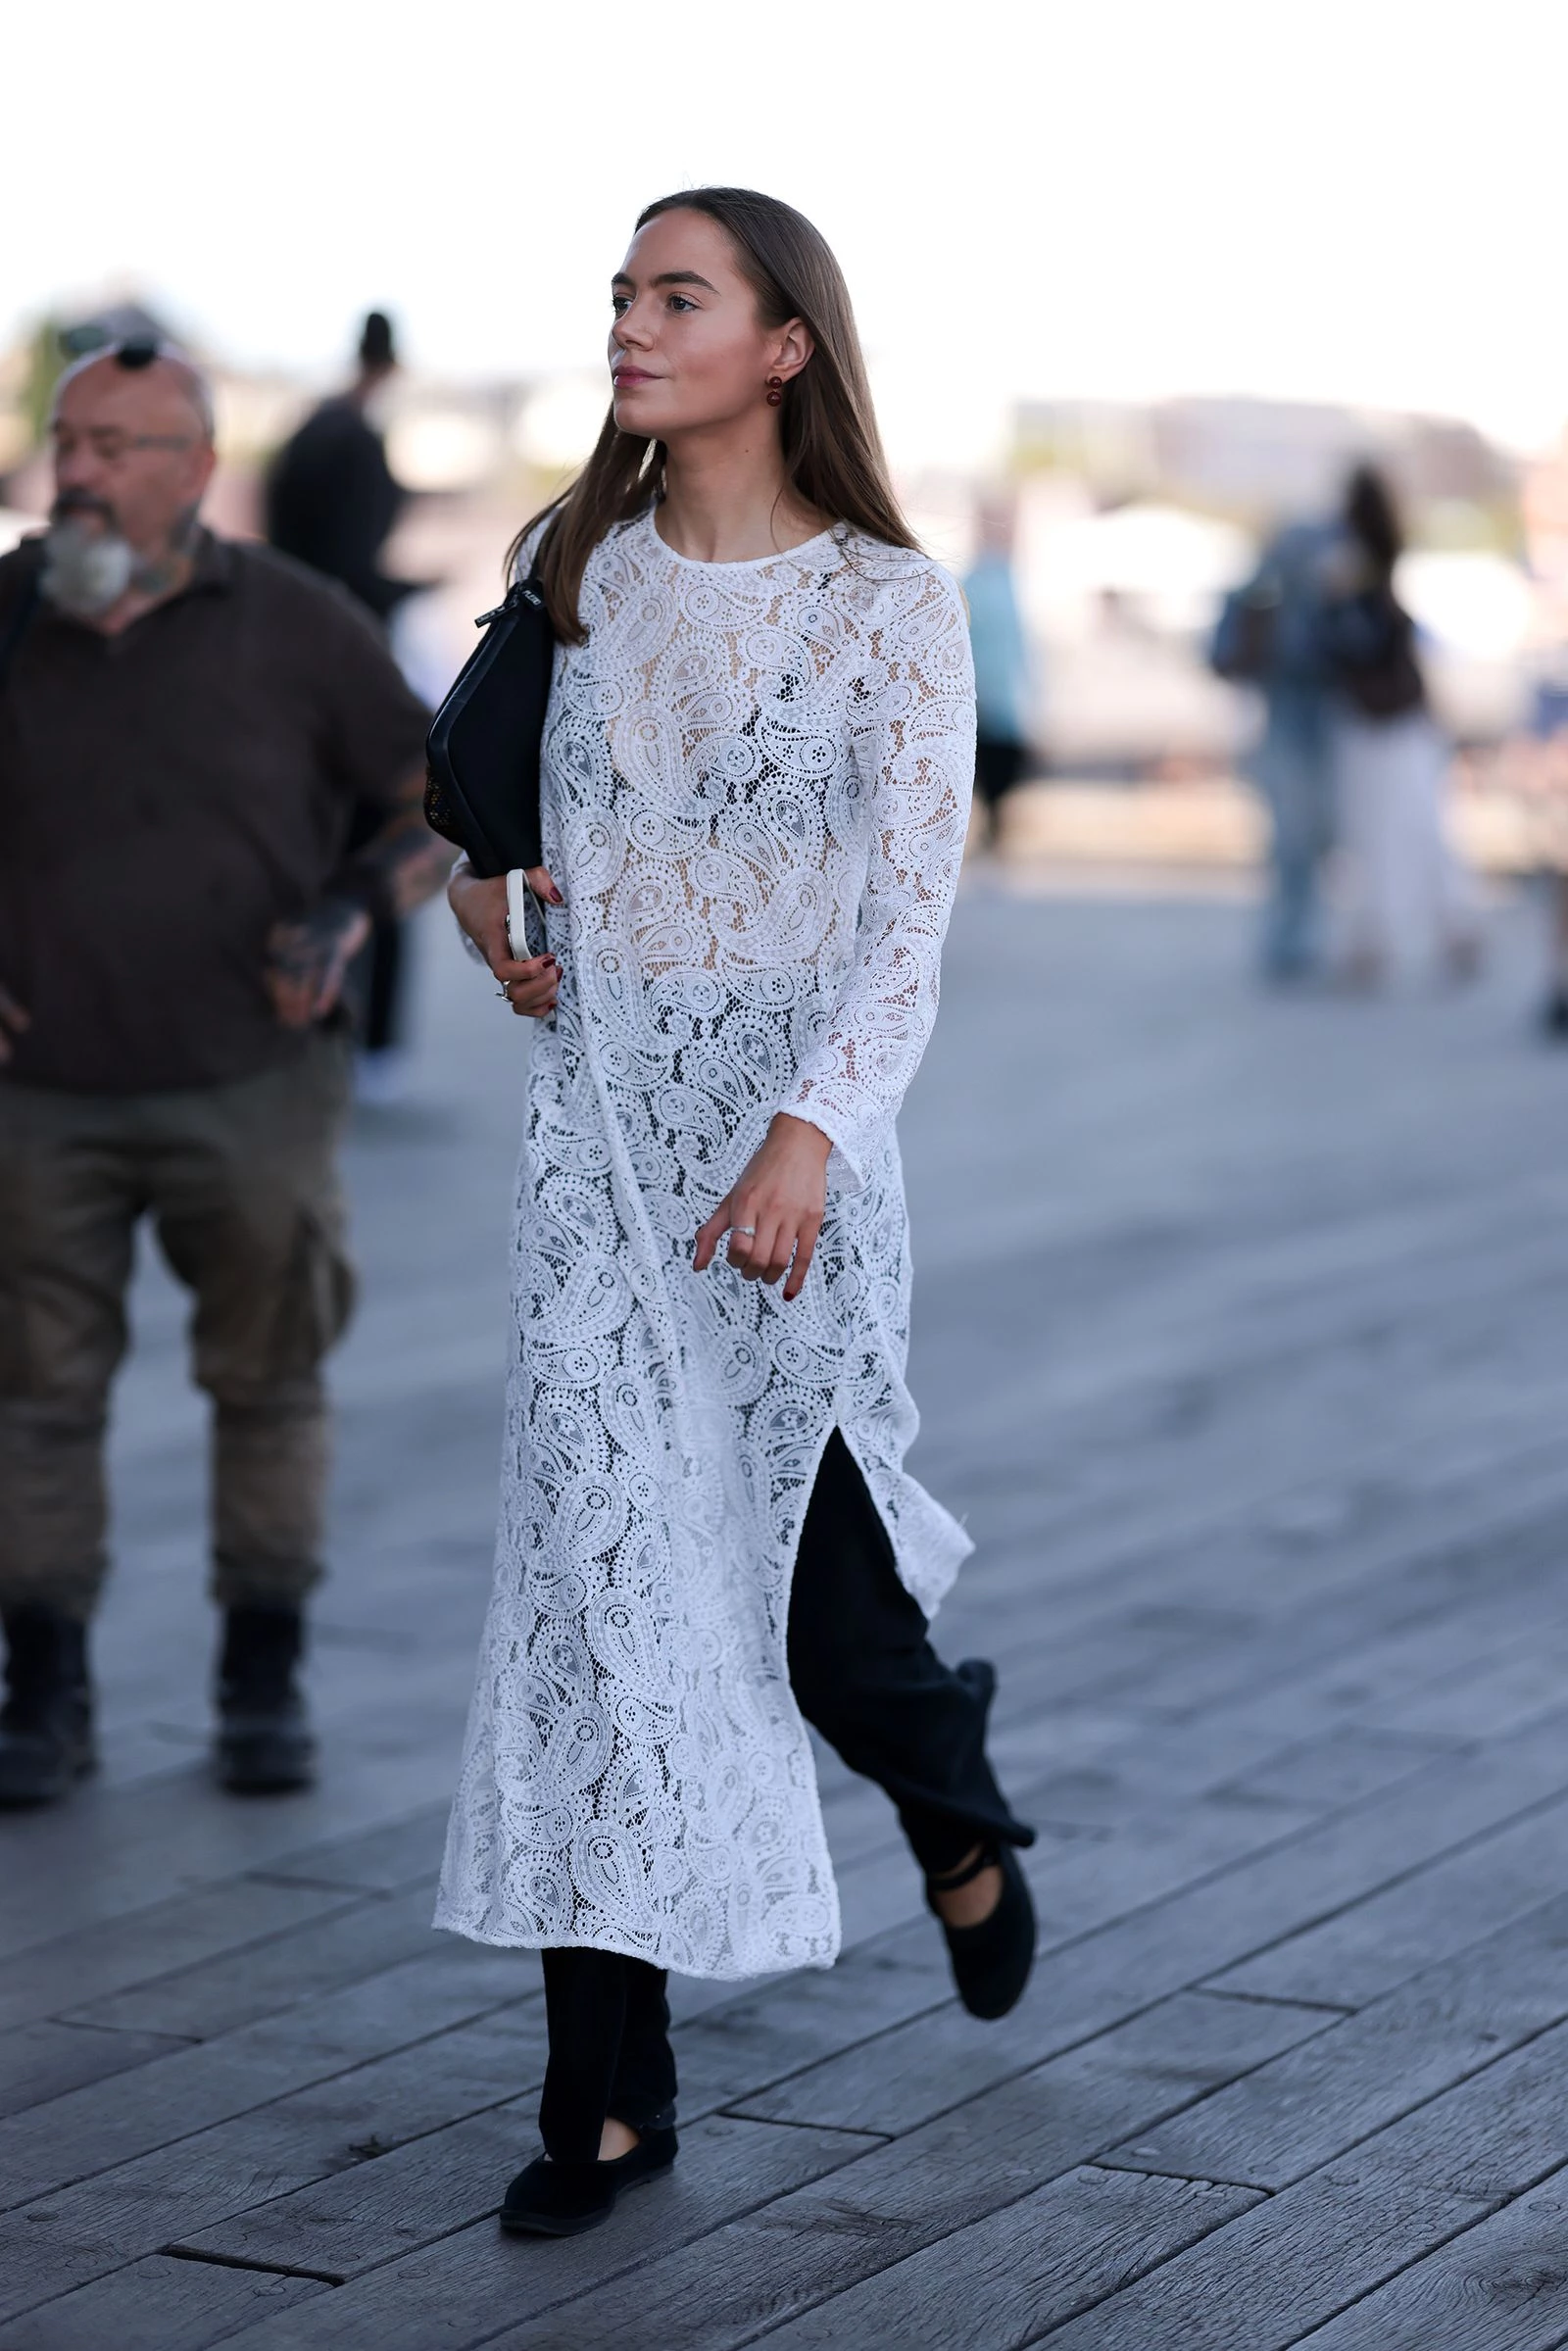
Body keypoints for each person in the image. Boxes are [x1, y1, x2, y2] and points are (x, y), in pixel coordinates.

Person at [435, 186, 1036, 2239]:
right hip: (593, 1151)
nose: (629, 321)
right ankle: (604, 2100)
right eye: (619, 291)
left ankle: (950, 1802)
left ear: (783, 344)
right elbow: (501, 820)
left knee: (808, 1593)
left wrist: (806, 1129)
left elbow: (903, 920)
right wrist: (491, 909)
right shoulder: (568, 564)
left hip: (791, 1149)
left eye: (673, 294)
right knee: (602, 1599)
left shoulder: (888, 601)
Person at [0, 339, 445, 1808]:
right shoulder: (8, 613)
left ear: (195, 471)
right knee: (33, 1395)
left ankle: (264, 1680)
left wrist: (347, 909)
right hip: (38, 1087)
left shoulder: (297, 625)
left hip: (250, 1081)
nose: (79, 471)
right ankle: (42, 1693)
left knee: (269, 1381)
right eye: (70, 440)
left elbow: (436, 802)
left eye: (120, 446)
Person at [266, 312, 426, 1100]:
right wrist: (417, 585)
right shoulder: (355, 441)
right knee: (390, 841)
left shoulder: (306, 432)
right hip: (349, 671)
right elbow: (353, 570)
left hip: (290, 664)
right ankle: (374, 1045)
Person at [1319, 465, 1480, 984]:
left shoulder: (1351, 569)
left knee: (1380, 834)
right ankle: (1436, 929)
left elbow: (1354, 646)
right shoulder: (1381, 565)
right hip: (1398, 720)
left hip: (1377, 723)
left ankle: (1383, 939)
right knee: (1417, 829)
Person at [1211, 515, 1340, 980]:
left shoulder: (1326, 598)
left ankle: (1307, 933)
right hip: (1279, 731)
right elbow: (1225, 660)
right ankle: (1289, 939)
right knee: (1290, 841)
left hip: (1328, 733)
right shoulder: (1254, 597)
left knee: (1319, 839)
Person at [963, 495, 1036, 849]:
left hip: (994, 696)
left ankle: (993, 829)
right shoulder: (990, 581)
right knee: (992, 770)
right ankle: (992, 829)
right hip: (991, 696)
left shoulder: (994, 579)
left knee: (993, 771)